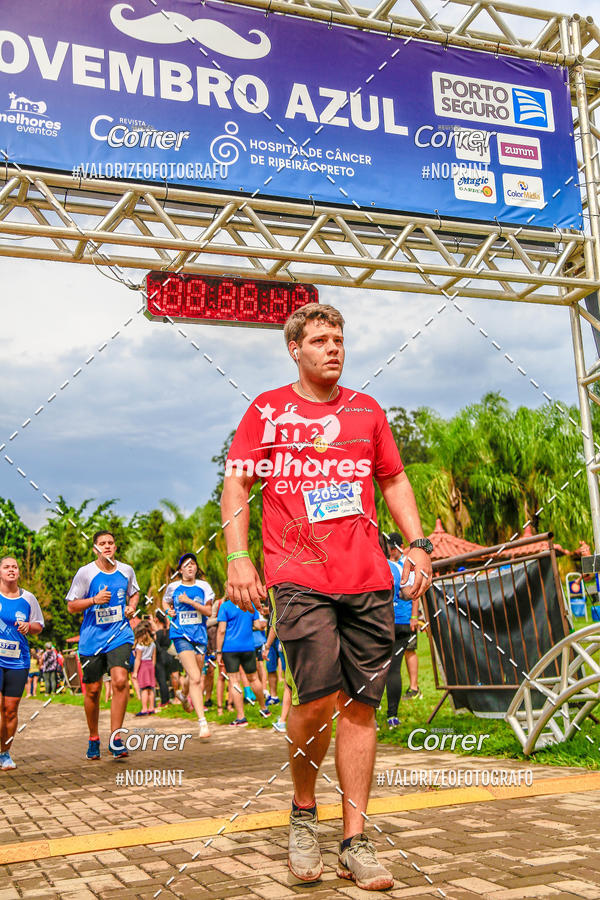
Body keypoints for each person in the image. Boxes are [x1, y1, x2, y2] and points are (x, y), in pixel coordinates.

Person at [221, 302, 433, 890]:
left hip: (367, 578)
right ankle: (303, 813)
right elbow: (238, 481)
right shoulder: (267, 410)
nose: (332, 348)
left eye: (338, 338)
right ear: (295, 349)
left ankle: (355, 840)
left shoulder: (367, 412)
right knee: (316, 699)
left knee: (362, 707)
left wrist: (417, 546)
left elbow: (392, 477)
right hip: (297, 574)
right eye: (319, 340)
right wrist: (240, 557)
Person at [66, 531, 139, 760]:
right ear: (95, 549)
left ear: (115, 547)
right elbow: (71, 606)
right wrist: (93, 600)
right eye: (102, 544)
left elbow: (134, 593)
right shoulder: (86, 573)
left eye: (110, 543)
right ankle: (93, 737)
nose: (107, 547)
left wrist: (131, 607)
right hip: (92, 640)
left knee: (120, 681)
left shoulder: (126, 570)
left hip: (120, 635)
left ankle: (116, 738)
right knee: (94, 690)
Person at [163, 553, 214, 738]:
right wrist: (169, 612)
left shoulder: (204, 587)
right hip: (180, 635)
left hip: (199, 635)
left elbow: (208, 611)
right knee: (196, 677)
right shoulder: (173, 587)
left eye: (193, 564)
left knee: (194, 677)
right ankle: (203, 724)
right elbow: (165, 603)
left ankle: (183, 695)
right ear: (180, 570)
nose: (190, 567)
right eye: (186, 565)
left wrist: (190, 602)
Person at [0, 556, 44, 769]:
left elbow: (39, 625)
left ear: (19, 572)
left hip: (18, 660)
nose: (11, 570)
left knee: (10, 709)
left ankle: (5, 753)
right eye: (6, 567)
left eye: (14, 567)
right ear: (0, 572)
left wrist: (29, 626)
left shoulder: (29, 598)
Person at [383, 533, 420, 727]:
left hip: (385, 623)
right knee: (394, 670)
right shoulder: (401, 568)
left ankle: (371, 717)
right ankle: (392, 716)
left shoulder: (380, 566)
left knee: (376, 670)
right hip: (401, 623)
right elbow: (412, 592)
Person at [216, 597, 270, 726]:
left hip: (230, 648)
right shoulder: (250, 605)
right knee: (254, 678)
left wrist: (218, 652)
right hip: (248, 647)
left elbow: (221, 630)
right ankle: (264, 709)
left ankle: (241, 717)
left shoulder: (225, 606)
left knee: (234, 681)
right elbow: (258, 625)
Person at [132, 623, 156, 716]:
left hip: (143, 665)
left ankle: (144, 709)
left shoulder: (139, 646)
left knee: (144, 688)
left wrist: (135, 672)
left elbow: (138, 659)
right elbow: (154, 658)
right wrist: (152, 668)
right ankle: (151, 708)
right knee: (151, 688)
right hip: (150, 665)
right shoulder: (153, 644)